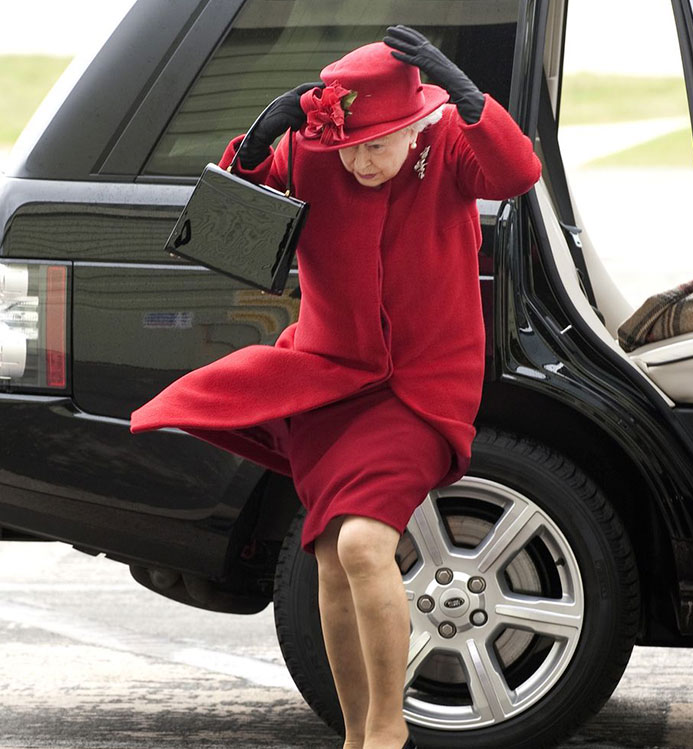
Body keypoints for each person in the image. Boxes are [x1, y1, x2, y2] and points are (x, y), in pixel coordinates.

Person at [130, 25, 541, 749]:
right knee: (328, 555)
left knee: (358, 545)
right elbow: (226, 225)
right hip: (328, 384)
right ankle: (358, 733)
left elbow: (513, 175)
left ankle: (386, 730)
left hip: (421, 386)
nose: (358, 159)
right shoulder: (315, 154)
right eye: (348, 145)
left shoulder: (445, 147)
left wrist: (472, 99)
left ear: (413, 127)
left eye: (375, 145)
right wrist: (258, 142)